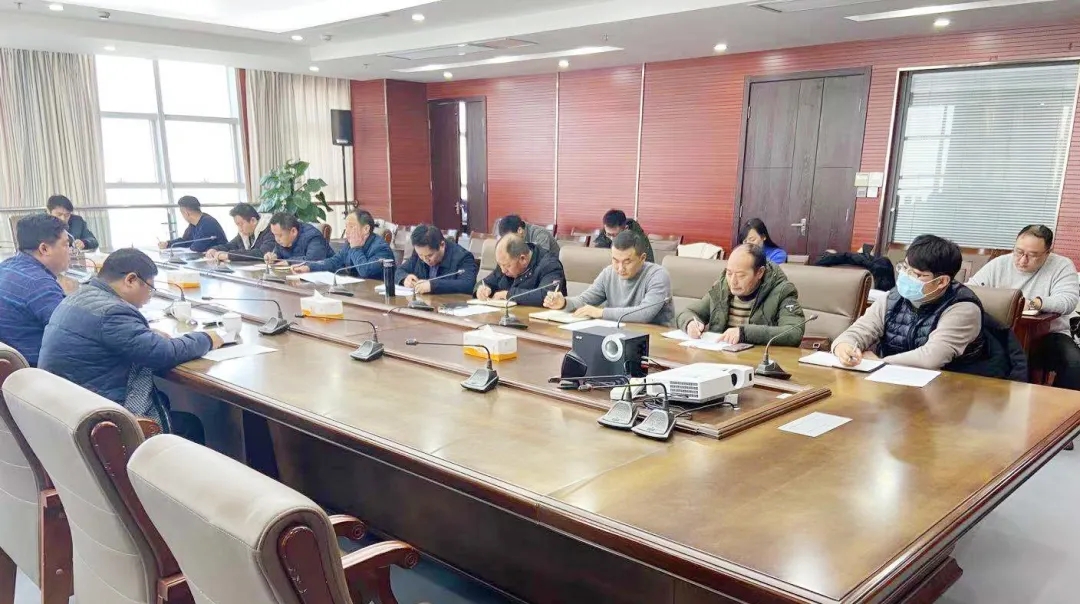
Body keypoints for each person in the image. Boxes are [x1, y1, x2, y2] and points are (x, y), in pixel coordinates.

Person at [39, 248, 223, 443]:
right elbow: (162, 353)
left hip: (68, 411)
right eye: (150, 289)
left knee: (165, 400)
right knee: (189, 425)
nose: (149, 297)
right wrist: (207, 338)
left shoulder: (80, 296)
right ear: (131, 280)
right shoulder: (112, 312)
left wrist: (144, 334)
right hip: (100, 426)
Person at [833, 234, 1025, 379]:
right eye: (905, 268)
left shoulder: (963, 308)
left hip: (952, 386)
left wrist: (878, 363)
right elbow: (861, 329)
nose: (906, 276)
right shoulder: (894, 297)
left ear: (942, 281)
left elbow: (931, 358)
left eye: (917, 274)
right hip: (895, 379)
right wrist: (844, 346)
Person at [968, 225, 1079, 388]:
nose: (1022, 260)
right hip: (1000, 332)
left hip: (1047, 334)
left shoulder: (1061, 266)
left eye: (1032, 255)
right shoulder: (1000, 263)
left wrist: (1035, 303)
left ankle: (1058, 402)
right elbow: (970, 290)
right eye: (1019, 252)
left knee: (1075, 364)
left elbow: (1068, 301)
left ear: (1048, 253)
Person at [675, 244, 805, 346]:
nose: (733, 281)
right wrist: (690, 323)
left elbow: (794, 332)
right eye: (729, 273)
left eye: (741, 275)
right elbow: (689, 312)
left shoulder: (782, 291)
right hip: (719, 357)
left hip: (758, 361)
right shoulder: (722, 288)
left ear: (760, 273)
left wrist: (744, 333)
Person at [543, 230, 673, 325]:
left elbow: (644, 314)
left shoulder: (658, 275)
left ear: (642, 258)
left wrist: (600, 313)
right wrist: (564, 303)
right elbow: (585, 300)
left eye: (627, 262)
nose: (620, 268)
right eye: (615, 260)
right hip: (618, 333)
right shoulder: (609, 273)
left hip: (655, 339)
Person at [0, 215, 70, 366]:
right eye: (66, 244)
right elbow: (73, 333)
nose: (69, 251)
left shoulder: (5, 266)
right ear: (44, 249)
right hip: (39, 370)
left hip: (13, 365)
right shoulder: (39, 284)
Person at [293, 210, 392, 279]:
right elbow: (334, 261)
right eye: (346, 227)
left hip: (377, 297)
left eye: (351, 227)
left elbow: (365, 271)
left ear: (366, 229)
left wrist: (356, 248)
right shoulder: (349, 244)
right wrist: (309, 267)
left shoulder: (381, 248)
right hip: (356, 291)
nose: (347, 231)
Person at [476, 234, 567, 307]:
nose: (503, 270)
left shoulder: (550, 265)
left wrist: (508, 295)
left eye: (507, 266)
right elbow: (486, 282)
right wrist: (482, 289)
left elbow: (546, 295)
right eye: (500, 265)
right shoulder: (505, 263)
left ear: (522, 259)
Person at [395, 224, 479, 295]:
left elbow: (468, 285)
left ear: (442, 245)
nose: (425, 260)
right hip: (422, 303)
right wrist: (405, 279)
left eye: (429, 255)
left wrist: (433, 286)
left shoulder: (463, 257)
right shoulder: (420, 253)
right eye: (421, 255)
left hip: (449, 305)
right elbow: (399, 270)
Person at [205, 203, 275, 262]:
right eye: (237, 225)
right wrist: (215, 249)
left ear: (253, 221)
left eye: (241, 224)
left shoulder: (271, 229)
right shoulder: (245, 232)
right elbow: (231, 245)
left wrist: (228, 256)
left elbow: (261, 253)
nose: (240, 229)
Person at [159, 196, 228, 253]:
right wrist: (168, 244)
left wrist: (189, 245)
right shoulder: (194, 224)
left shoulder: (208, 223)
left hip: (219, 260)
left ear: (186, 213)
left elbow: (197, 247)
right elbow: (185, 240)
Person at [264, 212, 332, 264]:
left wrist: (289, 262)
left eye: (280, 235)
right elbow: (278, 255)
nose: (277, 239)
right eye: (274, 235)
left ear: (293, 231)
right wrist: (273, 257)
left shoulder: (313, 236)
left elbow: (313, 260)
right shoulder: (281, 240)